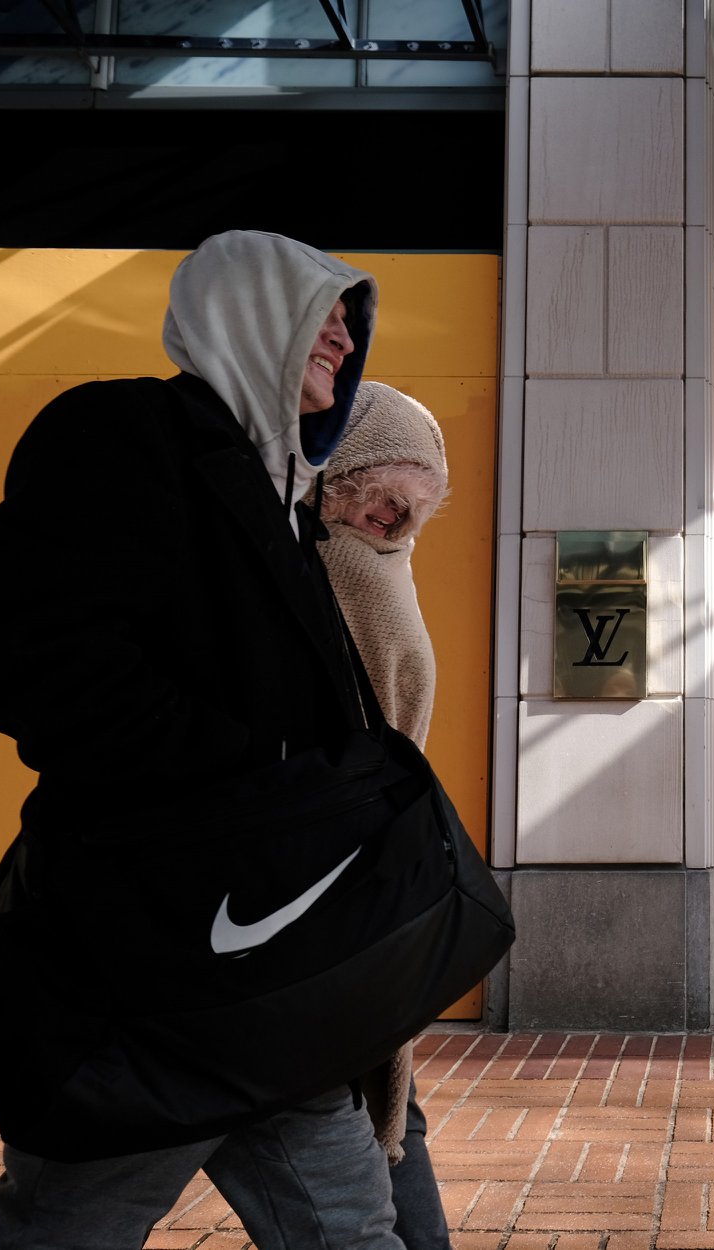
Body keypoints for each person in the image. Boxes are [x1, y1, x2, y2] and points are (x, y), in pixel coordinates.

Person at [0, 230, 405, 1249]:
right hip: (148, 965)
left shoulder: (288, 502)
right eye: (321, 311)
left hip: (271, 966)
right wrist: (248, 775)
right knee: (68, 1227)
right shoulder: (121, 434)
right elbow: (14, 655)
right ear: (247, 314)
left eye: (351, 321)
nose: (343, 335)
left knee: (354, 1224)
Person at [316, 381, 453, 1250]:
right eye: (380, 497)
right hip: (350, 868)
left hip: (350, 869)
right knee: (377, 1099)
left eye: (410, 510)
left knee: (369, 1103)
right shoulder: (344, 563)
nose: (393, 521)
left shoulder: (355, 562)